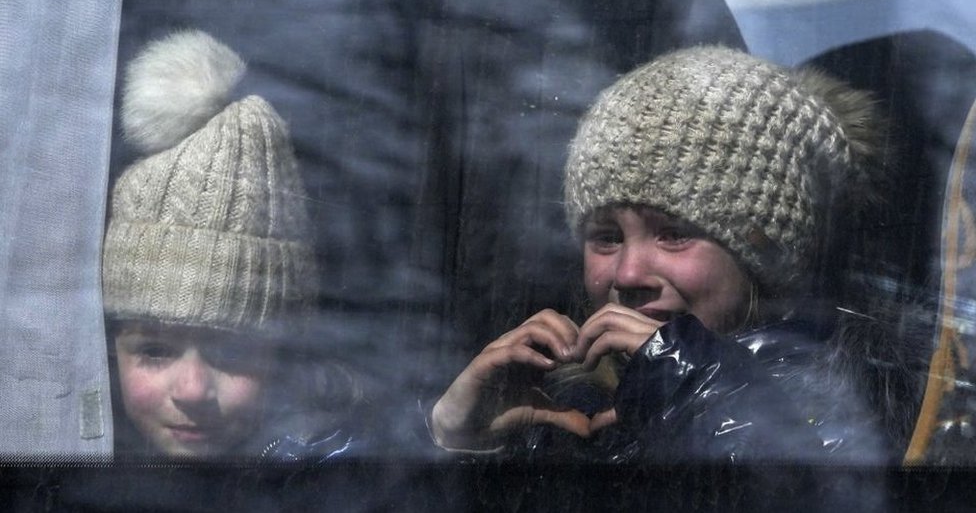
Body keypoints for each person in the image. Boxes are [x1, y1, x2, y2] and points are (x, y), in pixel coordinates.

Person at [429, 45, 925, 464]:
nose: (627, 273)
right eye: (605, 237)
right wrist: (454, 439)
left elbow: (799, 491)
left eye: (673, 234)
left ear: (771, 255)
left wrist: (694, 382)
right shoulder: (568, 409)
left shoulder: (867, 409)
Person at [103, 30, 360, 460]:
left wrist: (447, 434)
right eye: (153, 350)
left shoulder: (342, 468)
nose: (193, 391)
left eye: (233, 351)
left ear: (283, 356)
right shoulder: (59, 467)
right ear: (110, 353)